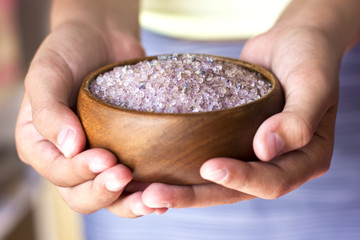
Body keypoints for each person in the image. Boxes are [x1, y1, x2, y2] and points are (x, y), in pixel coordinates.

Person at [15, 0, 360, 239]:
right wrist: (90, 22)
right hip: (132, 61)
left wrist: (318, 23)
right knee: (133, 200)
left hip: (324, 58)